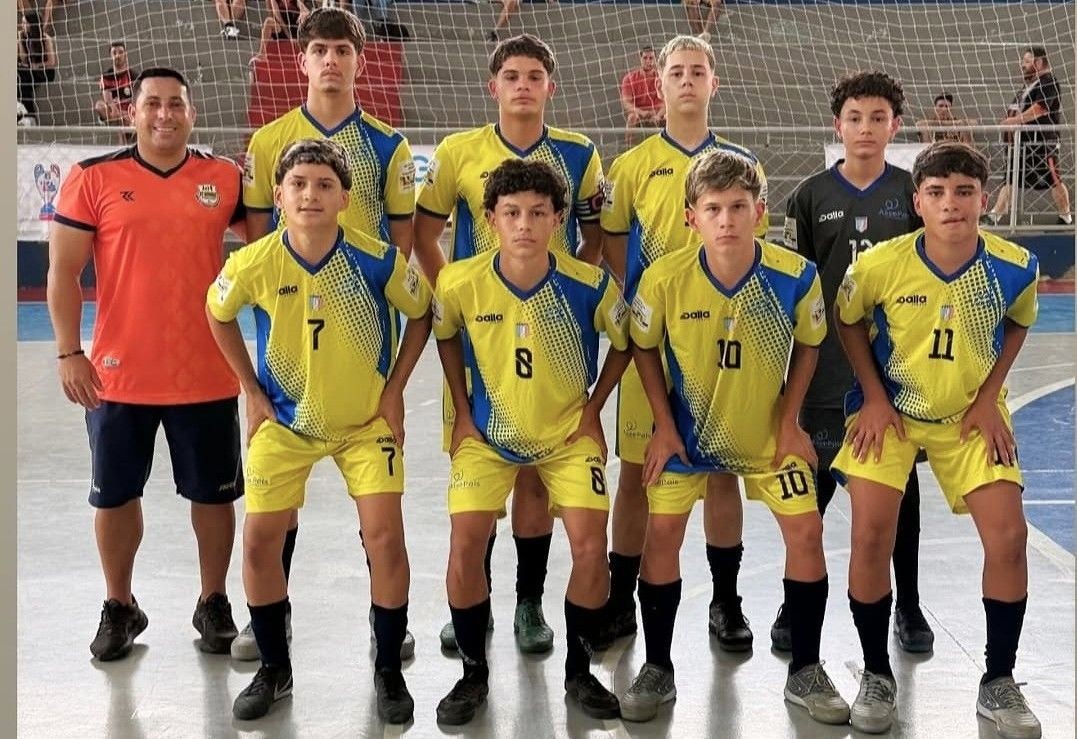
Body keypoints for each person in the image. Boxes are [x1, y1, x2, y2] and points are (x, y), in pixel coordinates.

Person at [621, 149, 849, 727]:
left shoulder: (794, 276)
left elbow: (810, 344)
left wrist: (791, 419)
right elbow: (643, 349)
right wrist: (664, 427)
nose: (727, 219)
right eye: (714, 208)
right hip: (688, 439)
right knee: (663, 535)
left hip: (769, 439)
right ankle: (657, 665)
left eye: (739, 207)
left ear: (760, 211)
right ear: (691, 217)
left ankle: (806, 669)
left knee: (806, 530)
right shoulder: (664, 279)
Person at [207, 138, 432, 723]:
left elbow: (422, 313)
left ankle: (387, 667)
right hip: (285, 424)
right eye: (299, 184)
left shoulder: (377, 258)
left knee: (385, 539)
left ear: (345, 198)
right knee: (259, 541)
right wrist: (251, 392)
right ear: (278, 195)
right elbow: (217, 312)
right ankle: (274, 670)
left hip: (363, 425)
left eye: (324, 185)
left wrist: (394, 390)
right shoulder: (252, 263)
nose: (311, 194)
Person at [832, 141, 1041, 737]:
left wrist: (988, 397)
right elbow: (848, 320)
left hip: (969, 416)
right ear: (918, 202)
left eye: (965, 192)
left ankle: (998, 681)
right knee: (871, 533)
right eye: (938, 193)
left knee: (1009, 536)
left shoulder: (1012, 266)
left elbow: (1021, 320)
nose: (952, 204)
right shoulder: (878, 266)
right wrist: (872, 397)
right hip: (891, 412)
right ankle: (876, 673)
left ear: (985, 200)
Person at [413, 32, 605, 656]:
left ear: (550, 85)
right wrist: (459, 295)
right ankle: (475, 598)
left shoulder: (579, 154)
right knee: (480, 457)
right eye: (511, 76)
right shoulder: (457, 151)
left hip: (551, 330)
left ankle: (527, 603)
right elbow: (425, 230)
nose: (523, 85)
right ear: (492, 86)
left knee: (538, 477)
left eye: (534, 75)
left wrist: (565, 296)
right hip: (480, 335)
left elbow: (595, 240)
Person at [237, 4, 418, 662]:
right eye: (319, 50)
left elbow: (398, 246)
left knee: (377, 505)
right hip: (284, 345)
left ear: (359, 61)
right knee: (273, 493)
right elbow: (259, 242)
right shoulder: (267, 142)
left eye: (343, 50)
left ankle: (388, 622)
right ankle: (269, 627)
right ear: (302, 60)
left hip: (362, 344)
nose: (331, 60)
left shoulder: (388, 147)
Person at [47, 67, 246, 662]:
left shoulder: (223, 177)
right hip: (118, 374)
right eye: (152, 104)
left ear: (192, 113)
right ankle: (119, 605)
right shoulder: (92, 177)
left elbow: (270, 247)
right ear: (130, 113)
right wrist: (68, 351)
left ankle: (213, 600)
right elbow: (63, 271)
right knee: (113, 497)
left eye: (176, 104)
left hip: (207, 371)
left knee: (213, 497)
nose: (164, 115)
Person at [432, 159, 631, 724]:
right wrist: (463, 413)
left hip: (567, 437)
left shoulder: (589, 284)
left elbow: (628, 342)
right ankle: (473, 673)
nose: (524, 224)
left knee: (593, 545)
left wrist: (594, 409)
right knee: (466, 542)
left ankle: (579, 671)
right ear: (490, 218)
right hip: (488, 437)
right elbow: (445, 337)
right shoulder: (459, 281)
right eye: (512, 213)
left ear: (558, 219)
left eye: (538, 213)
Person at [599, 33, 769, 652]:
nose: (688, 80)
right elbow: (614, 243)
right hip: (656, 342)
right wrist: (650, 298)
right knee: (637, 474)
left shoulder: (742, 164)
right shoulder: (632, 165)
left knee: (721, 473)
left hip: (721, 343)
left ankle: (725, 601)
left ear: (713, 82)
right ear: (661, 84)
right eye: (677, 72)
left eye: (699, 71)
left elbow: (751, 249)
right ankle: (621, 599)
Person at [777, 71, 933, 655]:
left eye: (877, 118)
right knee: (808, 492)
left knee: (900, 498)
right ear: (836, 124)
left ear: (895, 125)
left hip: (893, 375)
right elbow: (795, 287)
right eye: (854, 118)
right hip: (825, 371)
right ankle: (795, 606)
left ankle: (909, 606)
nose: (865, 128)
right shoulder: (809, 196)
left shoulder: (915, 193)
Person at [986, 47, 1072, 225]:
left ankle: (1066, 216)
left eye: (1026, 61)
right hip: (1021, 142)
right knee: (1010, 178)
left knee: (1054, 178)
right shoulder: (1028, 86)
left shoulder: (1048, 81)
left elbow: (1040, 108)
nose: (1022, 65)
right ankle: (995, 215)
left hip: (1041, 141)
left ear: (1039, 62)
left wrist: (1016, 120)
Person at [16, 10, 57, 126]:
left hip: (44, 71)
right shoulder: (23, 37)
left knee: (21, 79)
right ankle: (29, 116)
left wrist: (37, 65)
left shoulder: (45, 38)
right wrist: (20, 39)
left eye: (25, 23)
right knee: (21, 82)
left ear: (33, 24)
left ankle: (27, 115)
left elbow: (51, 62)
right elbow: (24, 59)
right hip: (30, 72)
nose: (22, 25)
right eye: (22, 23)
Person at [620, 46, 665, 146]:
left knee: (670, 117)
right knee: (632, 118)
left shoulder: (662, 77)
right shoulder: (629, 78)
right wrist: (641, 112)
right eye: (645, 58)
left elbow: (668, 101)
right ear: (640, 59)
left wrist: (658, 115)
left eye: (651, 58)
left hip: (658, 112)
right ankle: (629, 150)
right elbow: (626, 102)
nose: (648, 61)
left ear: (655, 59)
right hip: (639, 112)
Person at [93, 41, 136, 126]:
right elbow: (108, 100)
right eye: (114, 53)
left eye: (120, 52)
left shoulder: (133, 75)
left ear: (125, 54)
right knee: (99, 105)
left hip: (128, 112)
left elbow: (136, 100)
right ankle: (121, 127)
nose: (117, 56)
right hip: (113, 112)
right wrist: (115, 109)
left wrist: (126, 113)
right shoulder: (106, 76)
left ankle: (122, 133)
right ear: (111, 56)